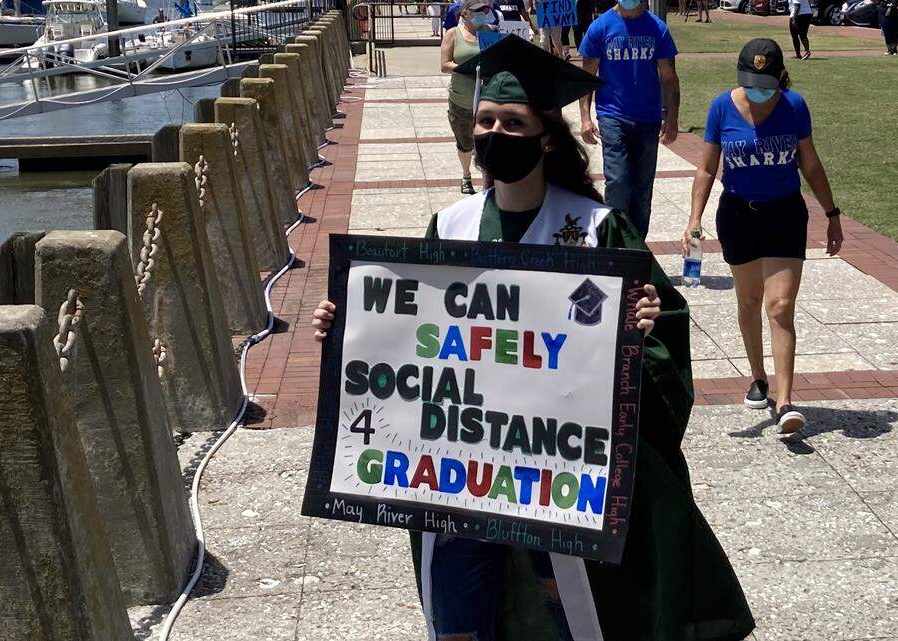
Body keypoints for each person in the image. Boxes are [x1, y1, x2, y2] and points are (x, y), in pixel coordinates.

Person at [313, 35, 755, 641]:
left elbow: (659, 342)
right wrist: (348, 330)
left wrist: (644, 329)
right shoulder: (451, 225)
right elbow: (412, 330)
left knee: (571, 611)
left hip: (555, 468)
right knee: (466, 604)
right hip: (462, 466)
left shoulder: (598, 231)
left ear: (546, 136)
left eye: (513, 122)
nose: (495, 132)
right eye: (486, 120)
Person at [682, 39, 843, 433]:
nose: (758, 89)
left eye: (766, 82)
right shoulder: (722, 106)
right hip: (738, 213)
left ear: (779, 78)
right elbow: (706, 169)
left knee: (780, 305)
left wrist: (832, 213)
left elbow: (810, 162)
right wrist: (694, 218)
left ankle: (786, 401)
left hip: (785, 212)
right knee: (750, 299)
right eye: (751, 81)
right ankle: (758, 376)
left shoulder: (794, 106)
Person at [578, 0, 680, 240]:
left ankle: (636, 246)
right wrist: (585, 118)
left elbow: (669, 79)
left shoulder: (657, 29)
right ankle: (614, 243)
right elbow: (586, 77)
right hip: (612, 116)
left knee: (642, 189)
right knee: (619, 182)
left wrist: (672, 118)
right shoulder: (600, 27)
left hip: (648, 119)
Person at [441, 0, 497, 194]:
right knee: (465, 142)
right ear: (465, 13)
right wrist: (468, 69)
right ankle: (466, 175)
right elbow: (444, 64)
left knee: (488, 140)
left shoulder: (491, 31)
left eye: (485, 10)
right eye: (476, 11)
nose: (481, 13)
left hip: (487, 98)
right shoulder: (452, 34)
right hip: (462, 98)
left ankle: (488, 180)